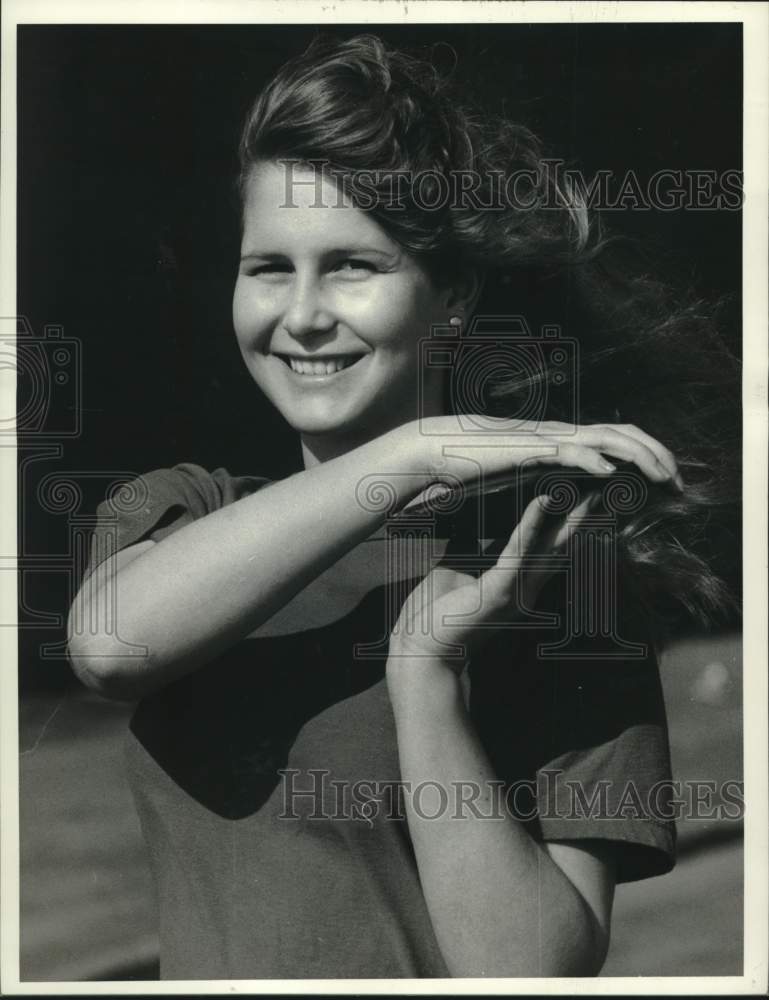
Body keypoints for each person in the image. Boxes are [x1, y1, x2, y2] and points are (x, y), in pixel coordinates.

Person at [67, 34, 739, 979]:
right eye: (268, 268)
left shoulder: (547, 575)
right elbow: (108, 647)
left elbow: (527, 977)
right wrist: (416, 447)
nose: (300, 314)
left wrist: (426, 675)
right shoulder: (182, 511)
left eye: (352, 265)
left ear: (452, 295)